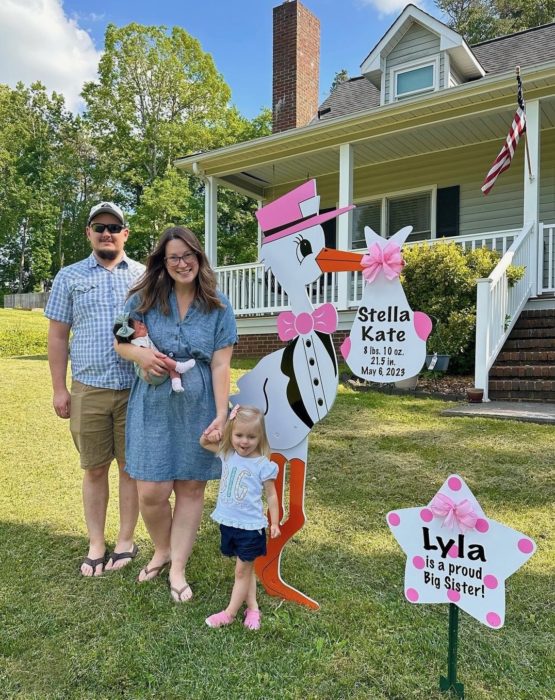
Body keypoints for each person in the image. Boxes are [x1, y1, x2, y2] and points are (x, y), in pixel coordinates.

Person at [114, 225, 237, 602]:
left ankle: (177, 566)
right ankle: (162, 549)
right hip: (152, 405)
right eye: (174, 257)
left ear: (198, 257)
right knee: (151, 489)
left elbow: (219, 365)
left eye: (189, 255)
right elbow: (121, 342)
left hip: (198, 405)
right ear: (162, 262)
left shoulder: (218, 305)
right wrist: (142, 354)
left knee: (190, 487)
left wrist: (220, 414)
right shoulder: (142, 298)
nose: (182, 263)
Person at [45, 202, 145, 576]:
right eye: (98, 226)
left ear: (125, 233)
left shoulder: (142, 275)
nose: (106, 232)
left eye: (113, 226)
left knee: (131, 469)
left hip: (137, 390)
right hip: (88, 388)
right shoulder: (69, 276)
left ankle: (125, 540)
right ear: (88, 232)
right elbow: (57, 336)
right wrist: (60, 388)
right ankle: (96, 543)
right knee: (94, 469)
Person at [200, 405, 280, 630]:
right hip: (230, 524)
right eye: (239, 435)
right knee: (246, 570)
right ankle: (253, 608)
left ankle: (229, 613)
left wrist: (274, 522)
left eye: (251, 437)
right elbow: (204, 443)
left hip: (250, 528)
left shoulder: (263, 465)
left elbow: (272, 496)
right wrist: (222, 428)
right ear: (231, 434)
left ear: (260, 437)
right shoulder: (227, 454)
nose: (244, 441)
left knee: (241, 571)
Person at [113, 314, 195, 392]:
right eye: (139, 329)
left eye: (141, 323)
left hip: (157, 374)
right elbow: (145, 357)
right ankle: (179, 366)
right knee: (162, 358)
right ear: (132, 338)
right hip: (151, 372)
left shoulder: (140, 337)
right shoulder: (138, 342)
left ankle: (176, 384)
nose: (143, 326)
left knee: (171, 368)